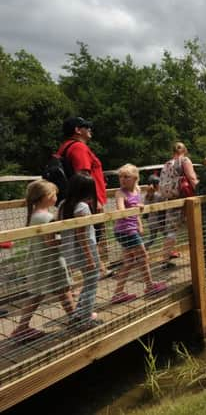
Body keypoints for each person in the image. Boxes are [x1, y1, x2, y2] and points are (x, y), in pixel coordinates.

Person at [11, 180, 75, 342]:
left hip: (38, 260)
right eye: (55, 194)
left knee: (38, 294)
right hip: (51, 261)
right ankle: (76, 319)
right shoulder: (48, 217)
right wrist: (67, 236)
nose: (56, 197)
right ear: (47, 197)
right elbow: (51, 242)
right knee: (64, 288)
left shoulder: (34, 215)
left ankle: (22, 328)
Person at [57, 117, 109, 278]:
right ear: (78, 130)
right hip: (88, 200)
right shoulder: (78, 147)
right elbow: (83, 175)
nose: (90, 129)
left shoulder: (65, 147)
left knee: (82, 235)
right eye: (87, 127)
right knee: (90, 235)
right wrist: (95, 201)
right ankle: (90, 270)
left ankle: (97, 268)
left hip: (74, 200)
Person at [111, 164, 167, 304]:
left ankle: (118, 293)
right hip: (125, 231)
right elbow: (121, 210)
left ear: (135, 178)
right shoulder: (120, 193)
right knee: (143, 256)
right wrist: (134, 209)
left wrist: (139, 224)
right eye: (120, 177)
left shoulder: (136, 190)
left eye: (126, 177)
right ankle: (149, 286)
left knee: (129, 262)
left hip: (132, 229)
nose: (122, 180)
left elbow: (137, 209)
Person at [59, 174, 102, 330]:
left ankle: (78, 313)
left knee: (89, 281)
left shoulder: (63, 204)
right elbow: (81, 235)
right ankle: (86, 319)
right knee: (92, 282)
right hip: (86, 249)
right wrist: (90, 257)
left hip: (70, 249)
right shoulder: (82, 207)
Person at [161, 142, 198, 269]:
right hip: (186, 200)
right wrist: (200, 191)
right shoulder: (185, 160)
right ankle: (200, 256)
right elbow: (192, 178)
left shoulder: (167, 164)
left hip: (172, 200)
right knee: (196, 228)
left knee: (171, 232)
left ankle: (165, 261)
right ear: (185, 151)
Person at [143, 175, 166, 249]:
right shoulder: (158, 195)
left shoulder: (146, 196)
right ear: (156, 185)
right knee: (168, 235)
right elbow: (164, 205)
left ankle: (143, 248)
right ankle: (169, 251)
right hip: (159, 221)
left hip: (151, 221)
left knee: (152, 238)